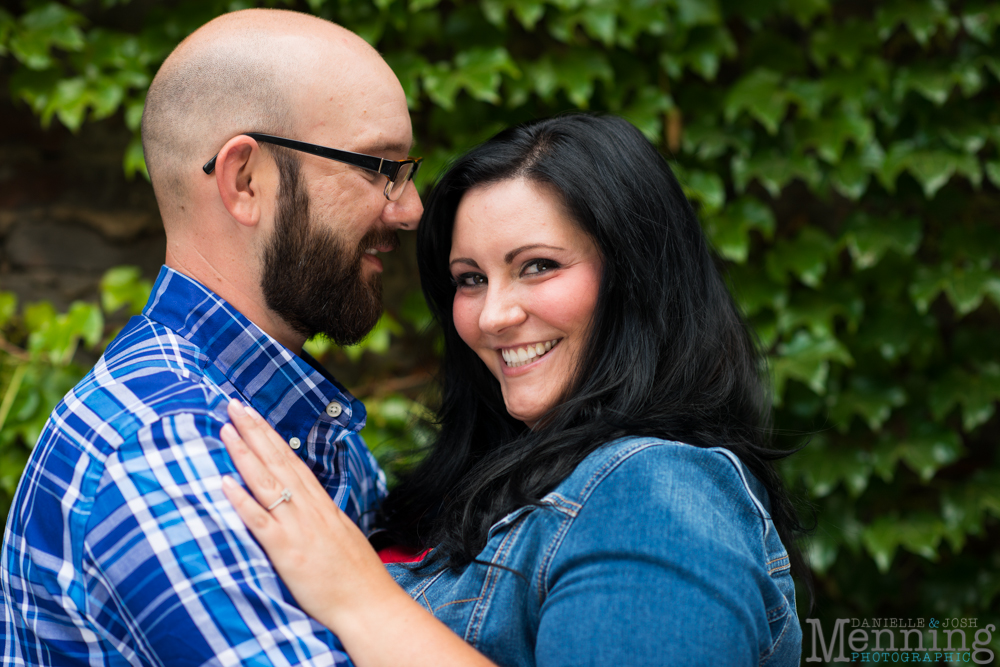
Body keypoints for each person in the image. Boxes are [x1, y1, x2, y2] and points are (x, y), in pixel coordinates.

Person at [218, 114, 807, 666]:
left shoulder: (655, 489)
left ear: (637, 279)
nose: (493, 316)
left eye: (538, 266)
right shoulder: (489, 491)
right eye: (470, 279)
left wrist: (358, 598)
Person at [0, 9, 422, 665]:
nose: (410, 208)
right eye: (378, 167)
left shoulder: (291, 428)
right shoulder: (163, 447)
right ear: (245, 180)